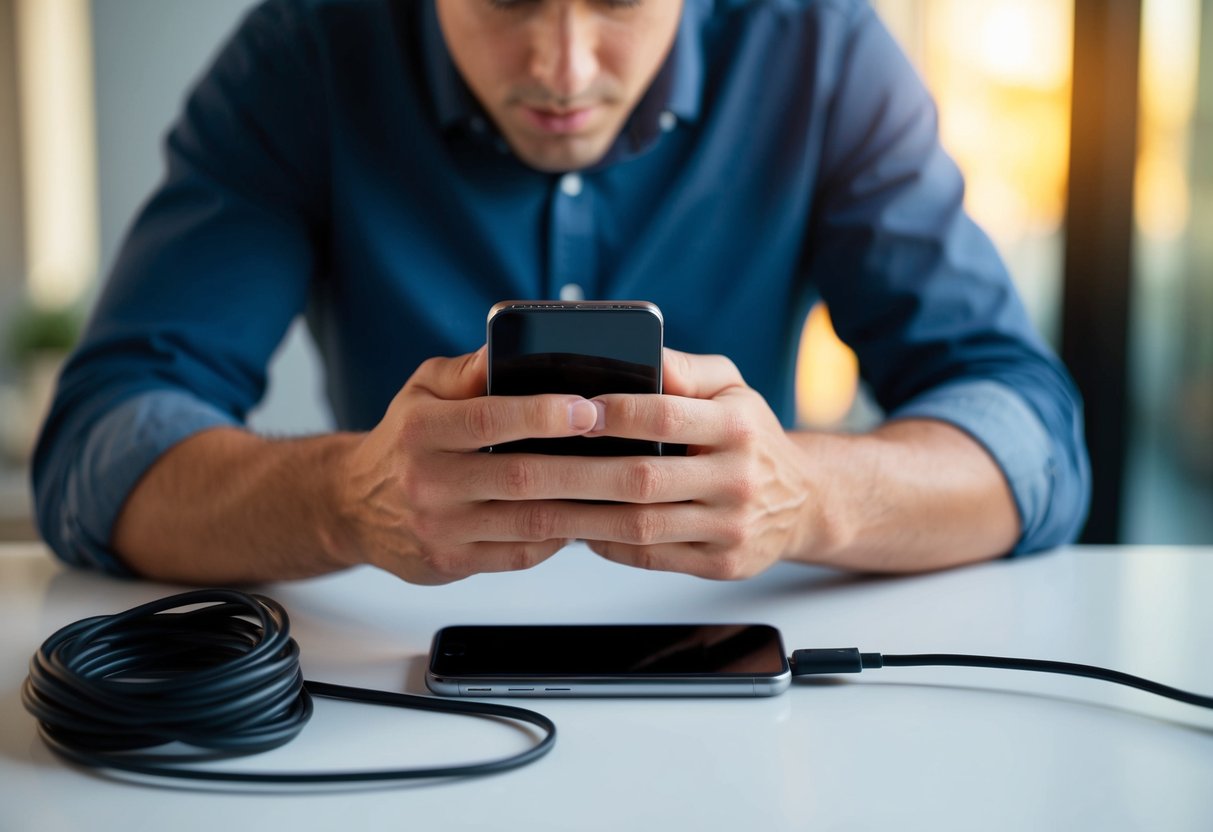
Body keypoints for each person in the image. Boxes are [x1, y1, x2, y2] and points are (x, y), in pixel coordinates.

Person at [32, 0, 1090, 585]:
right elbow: (101, 448)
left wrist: (811, 494)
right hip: (392, 692)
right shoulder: (304, 54)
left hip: (752, 677)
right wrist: (345, 497)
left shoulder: (820, 48)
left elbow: (1027, 432)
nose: (565, 66)